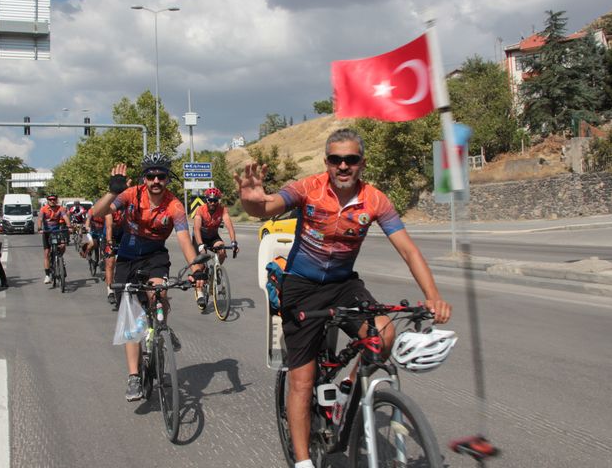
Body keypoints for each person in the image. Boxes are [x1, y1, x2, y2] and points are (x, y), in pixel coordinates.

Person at [234, 127, 452, 468]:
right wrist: (251, 198)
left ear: (362, 163)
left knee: (384, 334)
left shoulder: (375, 200)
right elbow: (266, 207)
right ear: (327, 163)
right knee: (302, 381)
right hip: (301, 286)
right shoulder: (309, 188)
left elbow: (408, 250)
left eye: (351, 159)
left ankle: (349, 386)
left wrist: (433, 296)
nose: (344, 166)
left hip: (343, 283)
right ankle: (304, 462)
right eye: (336, 159)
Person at [91, 152, 205, 402]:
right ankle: (134, 376)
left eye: (161, 176)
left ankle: (162, 326)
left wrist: (196, 268)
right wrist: (112, 192)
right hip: (128, 258)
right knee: (132, 315)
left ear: (167, 179)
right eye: (150, 175)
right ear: (144, 178)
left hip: (155, 256)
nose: (155, 180)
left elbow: (185, 240)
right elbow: (97, 214)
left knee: (160, 290)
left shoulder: (174, 205)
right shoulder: (131, 194)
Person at [192, 186, 238, 308]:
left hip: (213, 237)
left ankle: (217, 271)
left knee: (222, 249)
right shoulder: (200, 210)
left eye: (215, 200)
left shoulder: (222, 210)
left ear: (218, 201)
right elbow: (196, 228)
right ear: (206, 200)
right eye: (210, 200)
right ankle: (200, 292)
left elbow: (229, 226)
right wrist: (201, 245)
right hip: (200, 237)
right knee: (201, 264)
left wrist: (234, 242)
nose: (212, 203)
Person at [38, 194, 72, 284]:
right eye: (50, 199)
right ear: (48, 200)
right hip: (46, 233)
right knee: (47, 253)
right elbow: (40, 219)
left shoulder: (60, 208)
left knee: (63, 246)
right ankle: (47, 275)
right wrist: (39, 228)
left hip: (57, 231)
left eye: (54, 199)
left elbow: (65, 217)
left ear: (56, 200)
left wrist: (69, 226)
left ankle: (60, 259)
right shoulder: (43, 209)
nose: (52, 201)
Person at [104, 207, 126, 305]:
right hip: (111, 236)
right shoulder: (111, 208)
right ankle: (110, 291)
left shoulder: (129, 206)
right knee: (110, 263)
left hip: (124, 235)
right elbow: (109, 227)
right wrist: (109, 243)